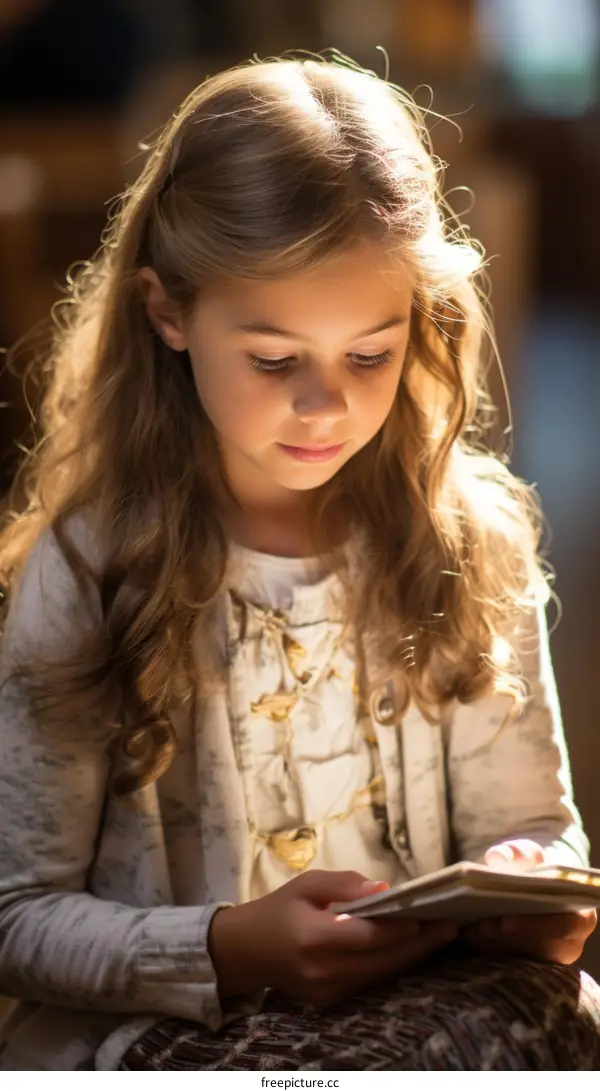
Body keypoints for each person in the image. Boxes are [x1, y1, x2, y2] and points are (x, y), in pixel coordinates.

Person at [0, 52, 598, 1071]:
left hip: (428, 1009)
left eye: (370, 353)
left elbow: (539, 830)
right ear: (168, 311)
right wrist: (230, 944)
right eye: (275, 359)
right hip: (169, 1031)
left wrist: (531, 886)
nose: (326, 405)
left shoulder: (469, 542)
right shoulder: (91, 572)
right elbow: (16, 918)